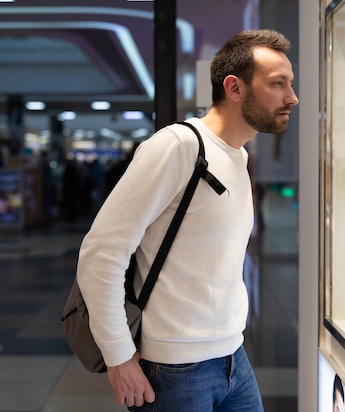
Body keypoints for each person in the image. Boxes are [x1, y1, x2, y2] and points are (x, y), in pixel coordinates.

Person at [76, 29, 298, 411]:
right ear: (234, 88)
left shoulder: (238, 156)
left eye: (289, 84)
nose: (292, 98)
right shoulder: (177, 147)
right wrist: (118, 356)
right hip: (173, 369)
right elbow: (102, 253)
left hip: (233, 357)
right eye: (277, 84)